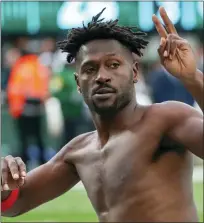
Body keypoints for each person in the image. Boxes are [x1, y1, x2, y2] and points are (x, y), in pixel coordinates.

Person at [1, 7, 203, 222]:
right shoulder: (78, 152)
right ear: (78, 83)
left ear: (134, 72)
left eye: (113, 65)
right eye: (90, 69)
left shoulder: (166, 119)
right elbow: (15, 202)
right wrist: (4, 182)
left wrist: (192, 78)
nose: (102, 76)